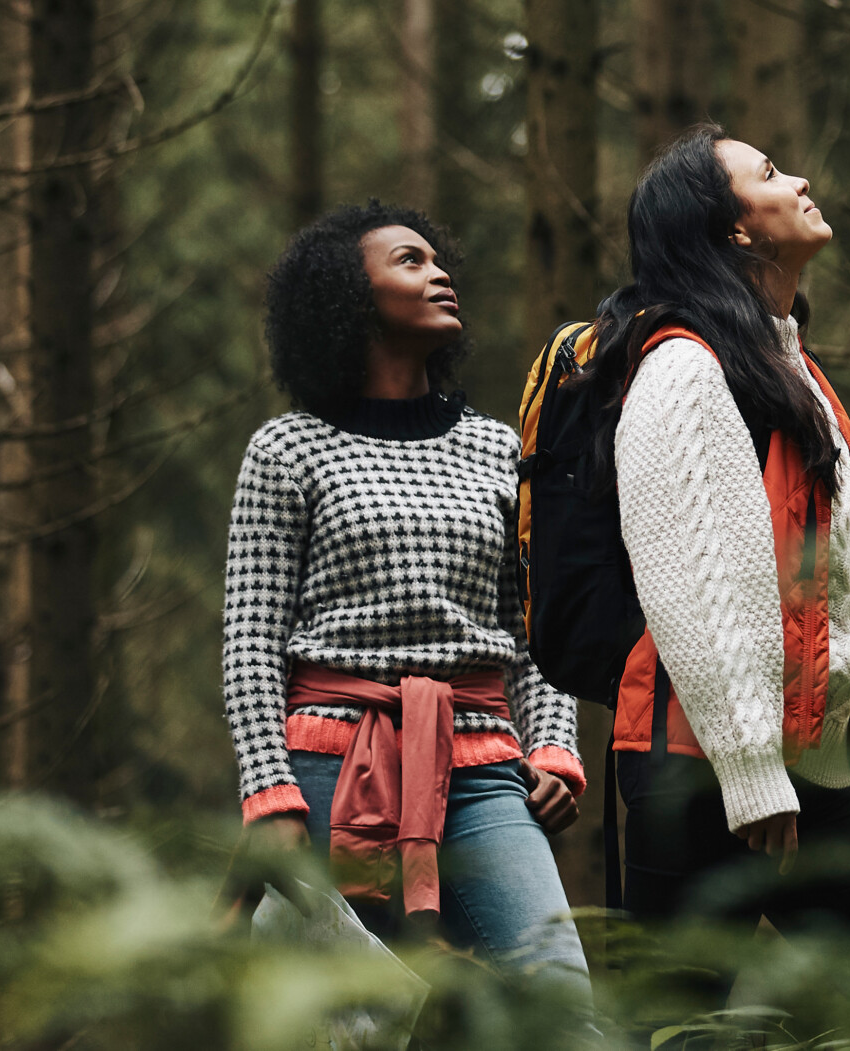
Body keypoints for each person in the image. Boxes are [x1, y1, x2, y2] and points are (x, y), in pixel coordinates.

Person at [591, 125, 850, 968]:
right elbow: (699, 584)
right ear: (735, 228)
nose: (800, 181)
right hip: (699, 766)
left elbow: (839, 594)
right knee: (681, 1021)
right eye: (770, 172)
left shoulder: (790, 369)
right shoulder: (683, 369)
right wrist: (749, 768)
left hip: (799, 765)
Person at [222, 201, 590, 989]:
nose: (440, 273)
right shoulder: (287, 450)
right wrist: (268, 791)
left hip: (483, 765)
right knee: (350, 1016)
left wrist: (554, 743)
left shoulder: (497, 448)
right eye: (410, 261)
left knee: (557, 990)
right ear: (349, 298)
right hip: (328, 768)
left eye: (438, 258)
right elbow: (251, 640)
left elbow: (531, 627)